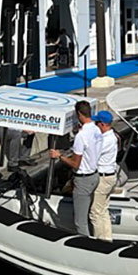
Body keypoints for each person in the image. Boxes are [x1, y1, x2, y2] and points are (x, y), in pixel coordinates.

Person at [49, 100, 100, 236]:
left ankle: (85, 247)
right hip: (95, 176)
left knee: (80, 221)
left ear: (79, 115)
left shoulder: (81, 136)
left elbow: (75, 164)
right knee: (87, 214)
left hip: (83, 179)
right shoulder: (96, 130)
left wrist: (59, 156)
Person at [89, 110, 118, 240]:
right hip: (110, 176)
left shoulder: (106, 140)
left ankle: (100, 241)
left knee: (95, 212)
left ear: (101, 124)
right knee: (103, 211)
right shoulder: (113, 137)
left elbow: (92, 155)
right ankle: (107, 238)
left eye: (96, 123)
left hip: (103, 177)